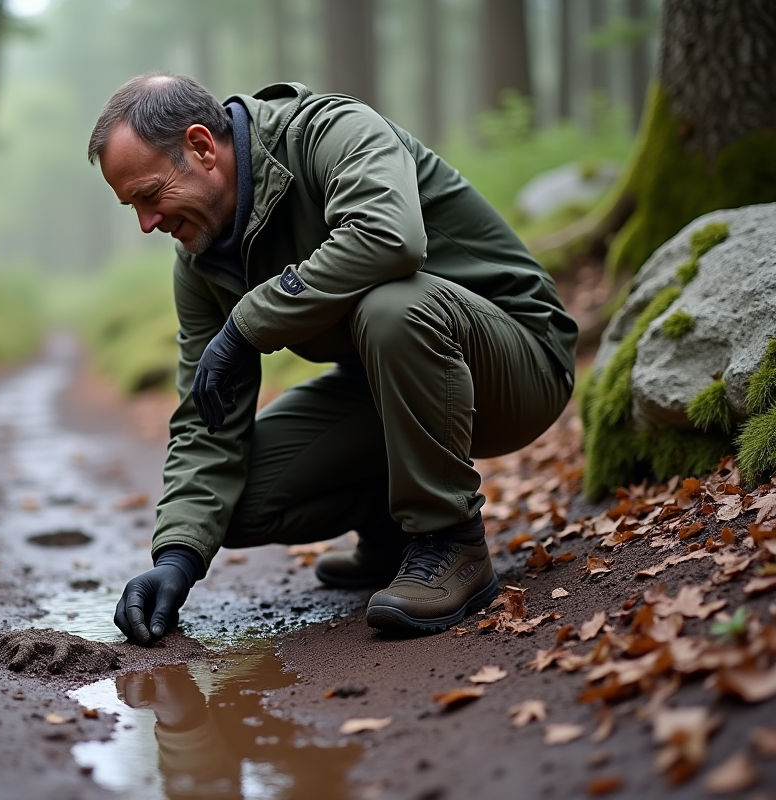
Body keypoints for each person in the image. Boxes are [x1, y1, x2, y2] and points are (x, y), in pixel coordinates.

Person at [88, 74, 576, 644]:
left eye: (150, 196)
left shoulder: (330, 131)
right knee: (230, 507)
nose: (148, 223)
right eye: (133, 208)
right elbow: (206, 417)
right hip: (388, 387)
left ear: (201, 146)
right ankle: (392, 531)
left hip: (518, 362)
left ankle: (451, 542)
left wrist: (248, 324)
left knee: (394, 305)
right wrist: (175, 559)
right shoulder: (199, 262)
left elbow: (390, 238)